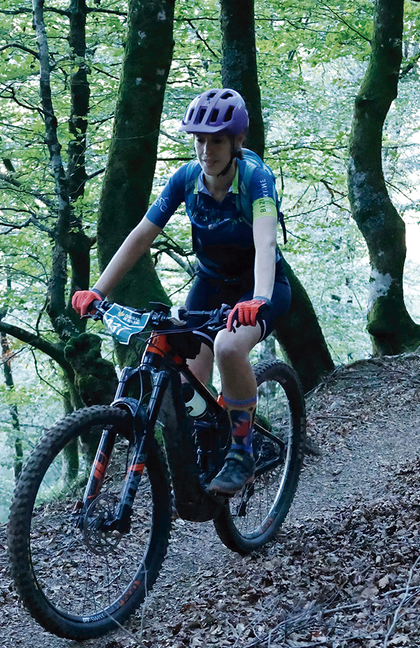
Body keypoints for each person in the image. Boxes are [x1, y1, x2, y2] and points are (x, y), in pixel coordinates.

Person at [71, 88, 291, 496]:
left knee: (228, 347)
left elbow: (265, 242)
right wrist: (98, 290)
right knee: (185, 376)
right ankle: (202, 459)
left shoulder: (255, 179)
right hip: (210, 285)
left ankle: (242, 452)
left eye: (217, 140)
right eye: (200, 140)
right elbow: (141, 236)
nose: (207, 150)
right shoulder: (186, 179)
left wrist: (258, 298)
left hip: (260, 285)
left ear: (237, 141)